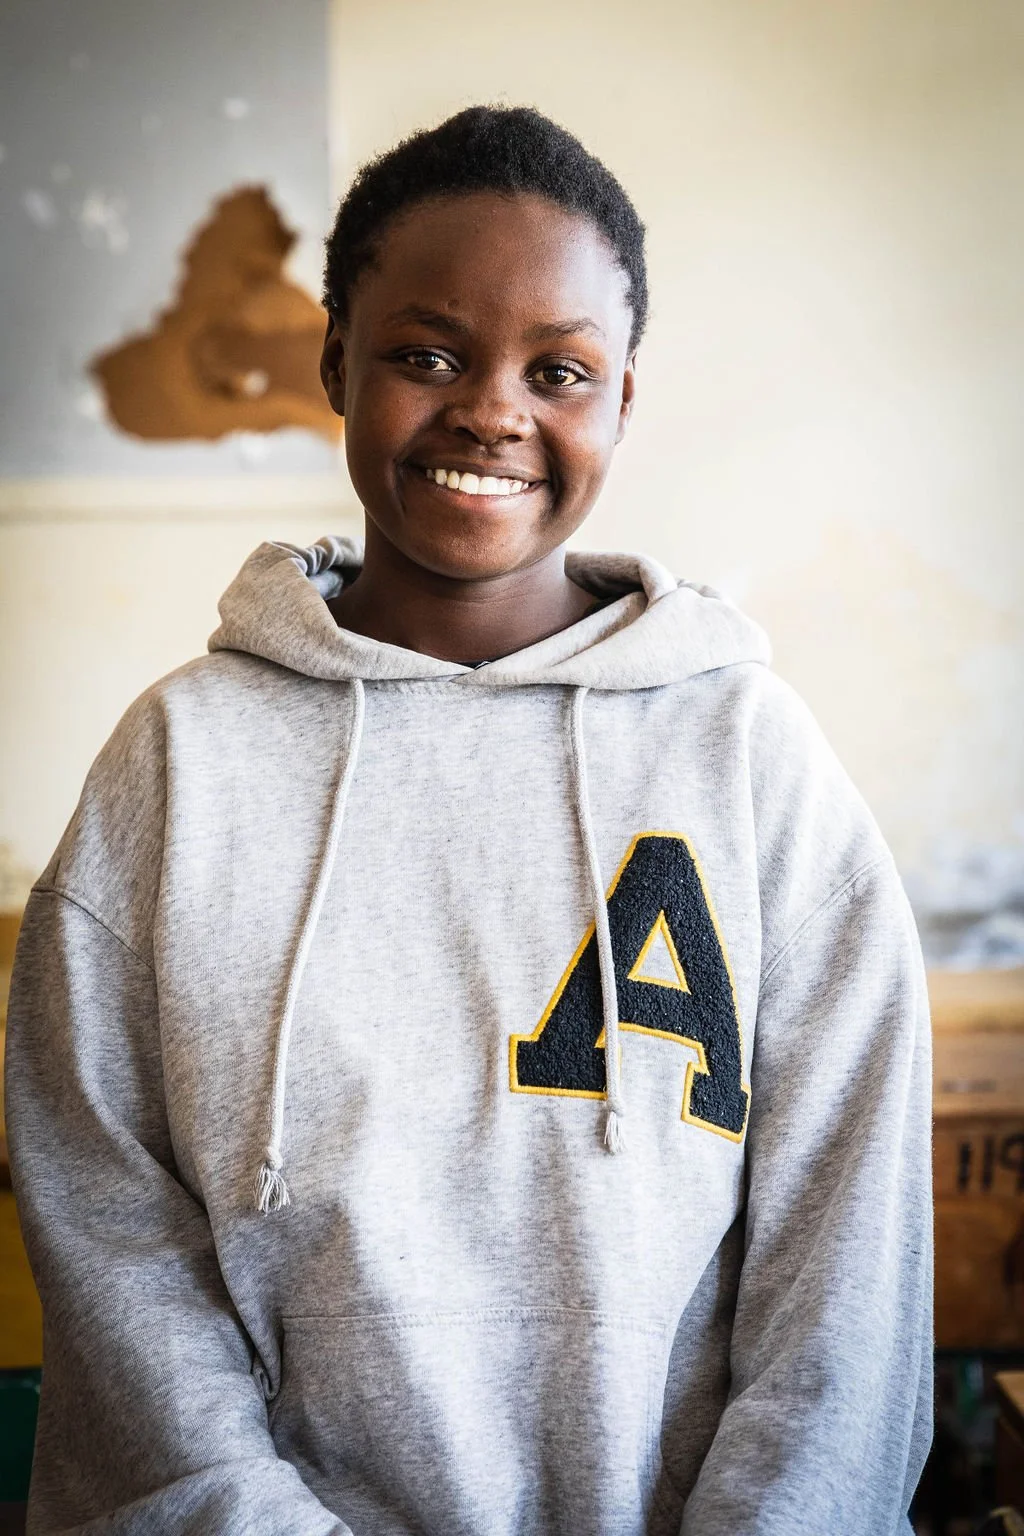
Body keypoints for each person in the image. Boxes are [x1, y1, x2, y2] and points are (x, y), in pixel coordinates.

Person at [5, 105, 932, 1535]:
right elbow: (113, 1237)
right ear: (333, 362)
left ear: (624, 396)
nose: (492, 409)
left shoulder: (755, 763)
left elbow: (847, 1279)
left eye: (556, 370)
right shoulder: (178, 765)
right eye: (428, 353)